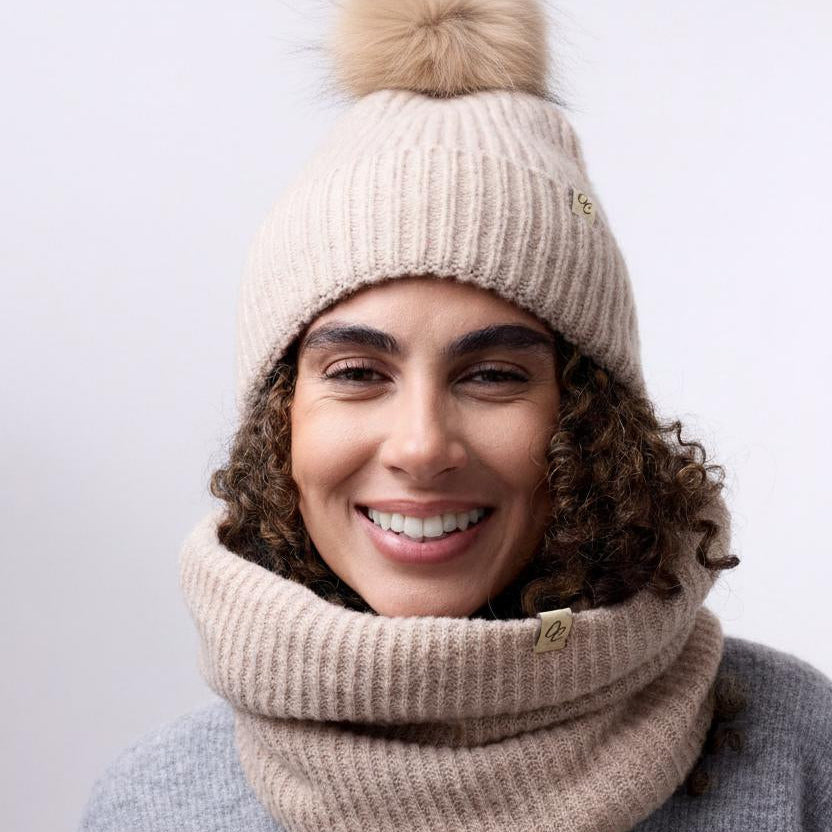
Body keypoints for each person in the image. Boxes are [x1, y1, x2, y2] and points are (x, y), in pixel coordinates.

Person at [78, 1, 832, 830]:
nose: (421, 445)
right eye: (357, 373)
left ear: (594, 423)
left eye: (494, 376)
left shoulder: (798, 751)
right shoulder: (154, 804)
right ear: (280, 423)